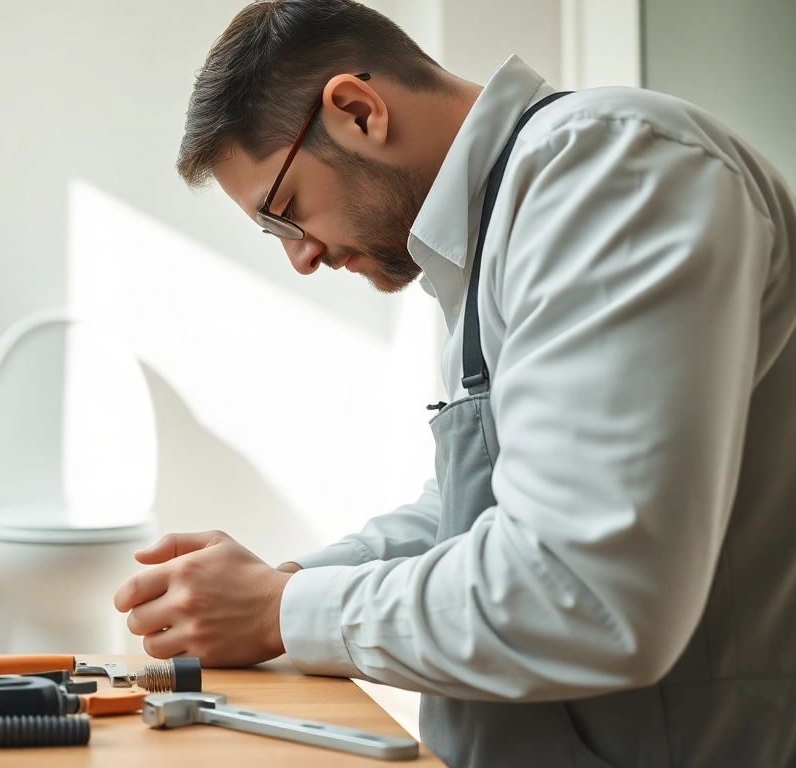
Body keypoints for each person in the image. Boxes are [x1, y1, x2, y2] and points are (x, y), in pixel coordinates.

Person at [111, 1, 796, 765]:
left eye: (284, 213)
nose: (299, 258)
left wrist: (282, 611)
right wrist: (284, 582)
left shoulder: (608, 172)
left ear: (357, 110)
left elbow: (585, 592)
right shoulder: (502, 224)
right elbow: (476, 509)